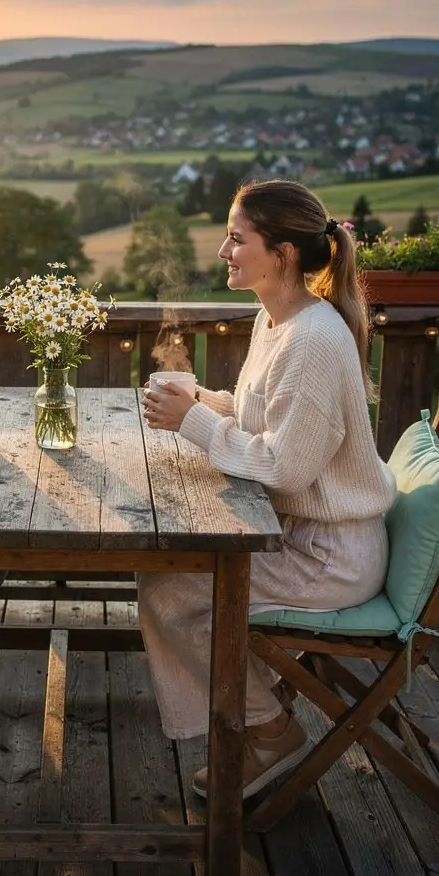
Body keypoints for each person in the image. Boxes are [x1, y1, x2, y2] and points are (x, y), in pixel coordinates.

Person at [140, 178, 395, 800]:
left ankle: (270, 731)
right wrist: (202, 399)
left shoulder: (313, 340)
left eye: (236, 238)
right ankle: (255, 717)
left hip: (329, 558)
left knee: (169, 589)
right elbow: (265, 420)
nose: (224, 251)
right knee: (168, 576)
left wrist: (194, 423)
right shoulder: (276, 320)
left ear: (281, 252)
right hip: (300, 537)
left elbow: (284, 466)